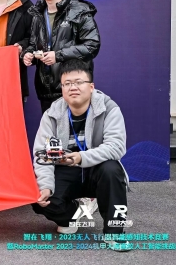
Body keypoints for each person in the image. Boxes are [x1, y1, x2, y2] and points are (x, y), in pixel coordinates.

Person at [32, 59, 130, 251]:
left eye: (79, 82)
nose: (73, 87)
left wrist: (81, 157)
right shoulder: (52, 114)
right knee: (38, 194)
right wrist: (45, 186)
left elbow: (116, 147)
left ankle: (115, 233)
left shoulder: (109, 108)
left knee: (112, 169)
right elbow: (43, 155)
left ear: (91, 86)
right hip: (66, 169)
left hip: (97, 169)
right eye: (67, 83)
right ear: (62, 88)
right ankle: (72, 215)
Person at [22, 0, 100, 112]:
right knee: (51, 127)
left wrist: (57, 56)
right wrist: (28, 54)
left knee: (76, 126)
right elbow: (34, 44)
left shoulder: (79, 10)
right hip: (45, 89)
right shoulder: (37, 14)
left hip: (74, 87)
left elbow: (92, 46)